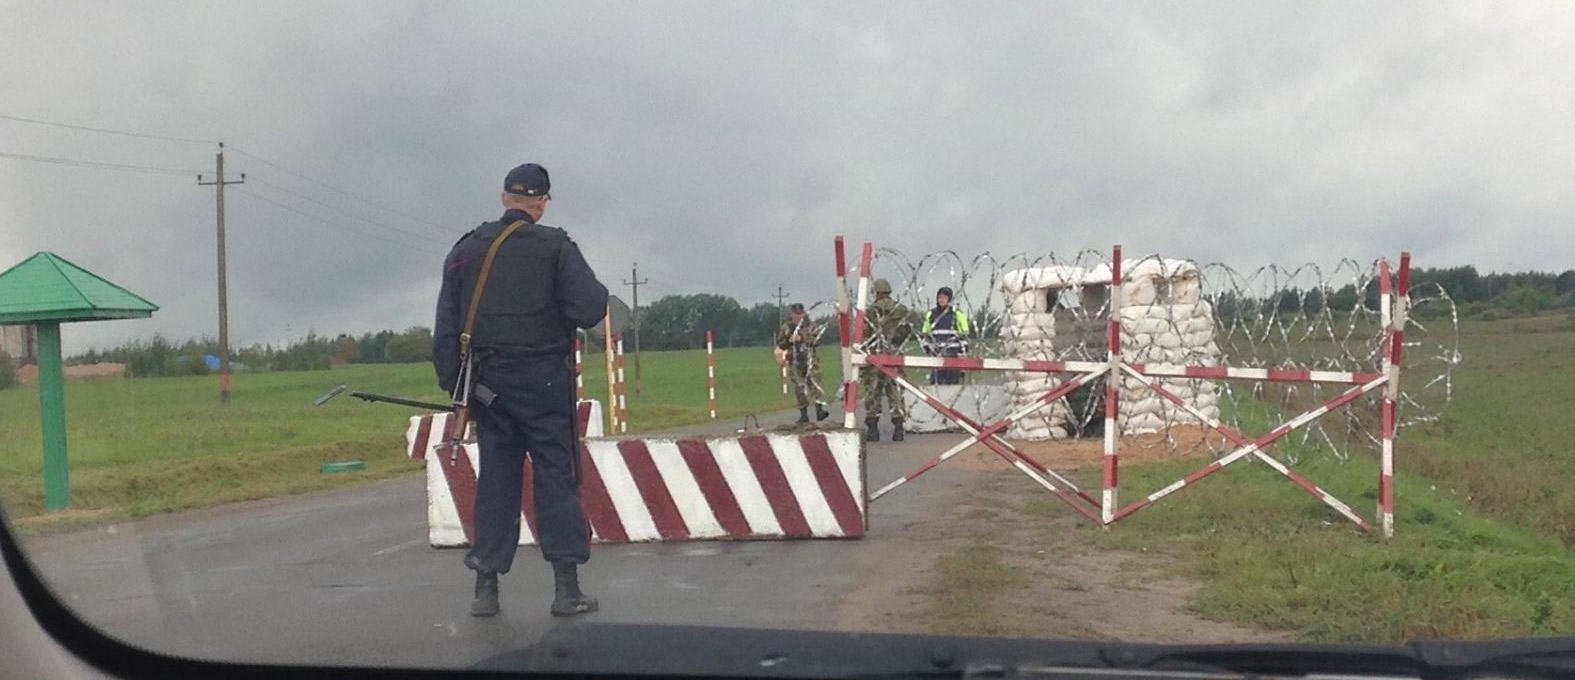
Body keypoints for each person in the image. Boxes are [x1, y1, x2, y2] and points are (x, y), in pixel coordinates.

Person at [433, 163, 609, 618]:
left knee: (496, 482)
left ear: (504, 198)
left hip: (488, 386)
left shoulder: (467, 249)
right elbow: (590, 308)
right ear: (542, 203)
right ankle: (566, 591)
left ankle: (486, 590)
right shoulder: (556, 248)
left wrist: (458, 389)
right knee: (556, 478)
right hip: (545, 382)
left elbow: (446, 328)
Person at [859, 278, 912, 442]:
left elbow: (864, 334)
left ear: (877, 292)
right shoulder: (901, 309)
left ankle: (873, 429)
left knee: (873, 392)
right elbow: (907, 332)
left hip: (875, 355)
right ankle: (898, 429)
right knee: (895, 392)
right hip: (894, 355)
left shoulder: (870, 311)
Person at [777, 303, 830, 423]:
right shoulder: (787, 327)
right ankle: (803, 414)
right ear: (791, 314)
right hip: (795, 361)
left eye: (800, 314)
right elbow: (780, 344)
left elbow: (817, 340)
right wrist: (788, 340)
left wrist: (803, 338)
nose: (798, 316)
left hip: (810, 360)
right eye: (795, 314)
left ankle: (819, 410)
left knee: (815, 385)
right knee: (799, 388)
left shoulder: (810, 326)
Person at [921, 286, 971, 385]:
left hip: (953, 356)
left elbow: (964, 335)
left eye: (944, 297)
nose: (941, 300)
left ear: (949, 299)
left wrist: (963, 354)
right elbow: (926, 335)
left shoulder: (957, 314)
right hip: (937, 356)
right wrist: (928, 351)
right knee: (936, 385)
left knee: (952, 385)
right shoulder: (931, 314)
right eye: (939, 297)